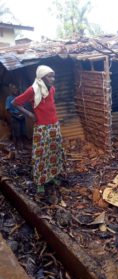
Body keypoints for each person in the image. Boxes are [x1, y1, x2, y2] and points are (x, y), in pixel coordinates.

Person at [12, 65, 65, 195]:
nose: (52, 79)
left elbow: (50, 106)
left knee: (54, 152)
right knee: (41, 155)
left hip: (54, 126)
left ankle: (51, 177)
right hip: (42, 128)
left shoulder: (51, 89)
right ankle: (40, 181)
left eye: (53, 76)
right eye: (49, 76)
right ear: (41, 77)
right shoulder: (33, 90)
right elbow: (15, 103)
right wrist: (30, 115)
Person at [5, 83, 26, 150]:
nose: (15, 90)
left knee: (23, 131)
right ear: (10, 90)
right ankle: (17, 147)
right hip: (15, 117)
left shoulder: (19, 97)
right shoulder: (9, 98)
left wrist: (23, 114)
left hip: (22, 117)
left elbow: (23, 107)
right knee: (17, 133)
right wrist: (16, 116)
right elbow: (8, 110)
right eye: (13, 88)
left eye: (16, 88)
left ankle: (22, 145)